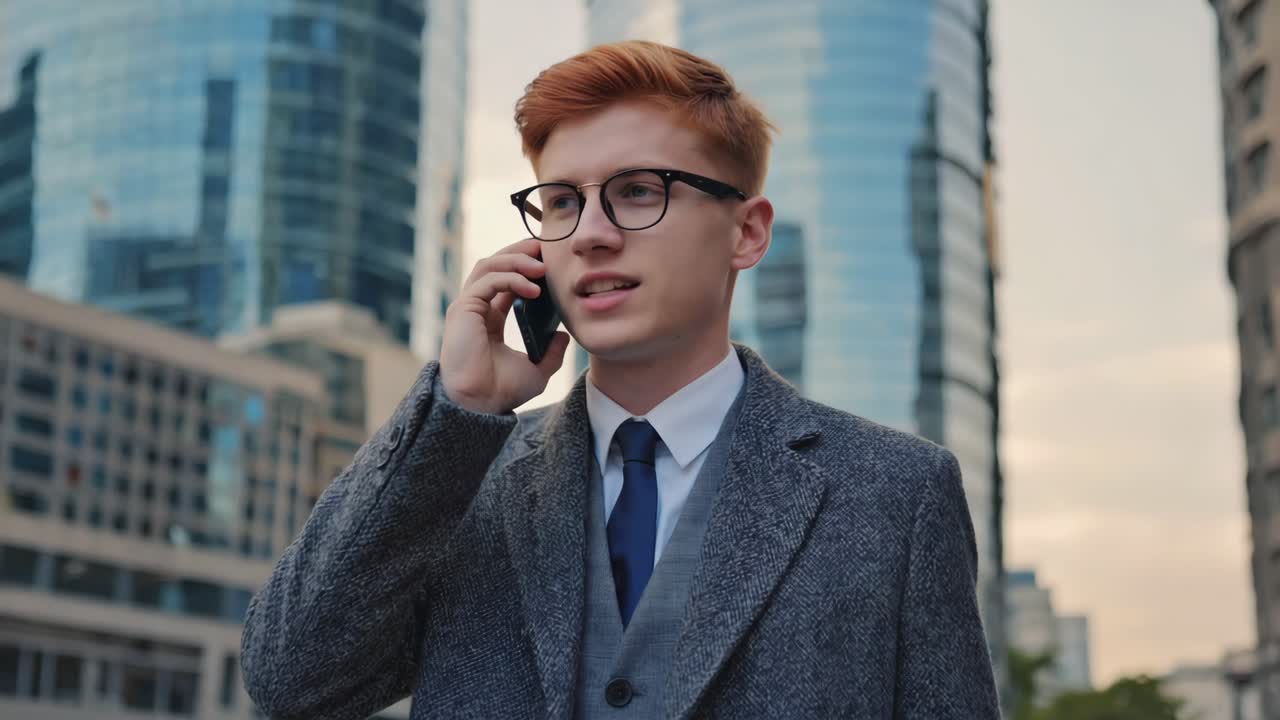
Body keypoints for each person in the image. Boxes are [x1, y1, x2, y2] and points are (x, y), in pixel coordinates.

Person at [240, 40, 1000, 719]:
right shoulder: (461, 474)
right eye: (563, 201)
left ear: (747, 231)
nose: (592, 234)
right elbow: (294, 683)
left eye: (639, 191)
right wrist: (459, 408)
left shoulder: (897, 493)